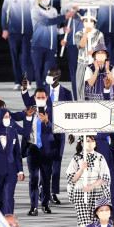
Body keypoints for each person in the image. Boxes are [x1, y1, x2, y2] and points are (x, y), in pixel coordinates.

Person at [67, 137, 111, 227]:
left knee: (96, 219)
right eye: (87, 141)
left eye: (92, 141)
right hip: (81, 191)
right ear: (82, 142)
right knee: (83, 220)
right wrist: (81, 169)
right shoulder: (77, 158)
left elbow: (105, 177)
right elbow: (71, 178)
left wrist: (93, 186)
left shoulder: (100, 157)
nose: (90, 144)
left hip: (96, 190)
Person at [40, 67, 73, 204]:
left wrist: (71, 131)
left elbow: (70, 113)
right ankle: (43, 188)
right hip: (45, 131)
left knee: (57, 162)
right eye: (48, 74)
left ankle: (53, 192)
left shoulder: (66, 93)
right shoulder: (42, 91)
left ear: (58, 76)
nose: (48, 77)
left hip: (60, 131)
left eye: (51, 75)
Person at [30, 0, 75, 88]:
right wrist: (64, 17)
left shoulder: (54, 10)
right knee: (39, 70)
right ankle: (39, 92)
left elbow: (55, 29)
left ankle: (47, 93)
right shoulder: (35, 10)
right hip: (38, 46)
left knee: (49, 72)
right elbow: (47, 22)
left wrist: (63, 30)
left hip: (52, 47)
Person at [0, 108, 25, 214]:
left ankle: (9, 222)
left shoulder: (13, 132)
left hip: (11, 171)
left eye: (9, 117)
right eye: (6, 117)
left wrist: (20, 171)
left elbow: (17, 153)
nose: (8, 119)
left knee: (9, 196)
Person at [1, 0, 36, 90]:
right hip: (13, 32)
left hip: (28, 32)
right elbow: (4, 14)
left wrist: (36, 30)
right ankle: (17, 81)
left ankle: (27, 81)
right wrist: (4, 29)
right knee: (15, 57)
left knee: (26, 57)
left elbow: (36, 15)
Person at [73, 11, 105, 100]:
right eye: (86, 21)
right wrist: (86, 33)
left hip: (94, 65)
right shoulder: (78, 34)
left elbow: (102, 51)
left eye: (91, 21)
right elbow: (80, 46)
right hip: (82, 64)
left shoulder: (99, 35)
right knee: (80, 88)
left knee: (94, 89)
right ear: (83, 22)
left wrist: (95, 53)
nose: (88, 23)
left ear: (94, 22)